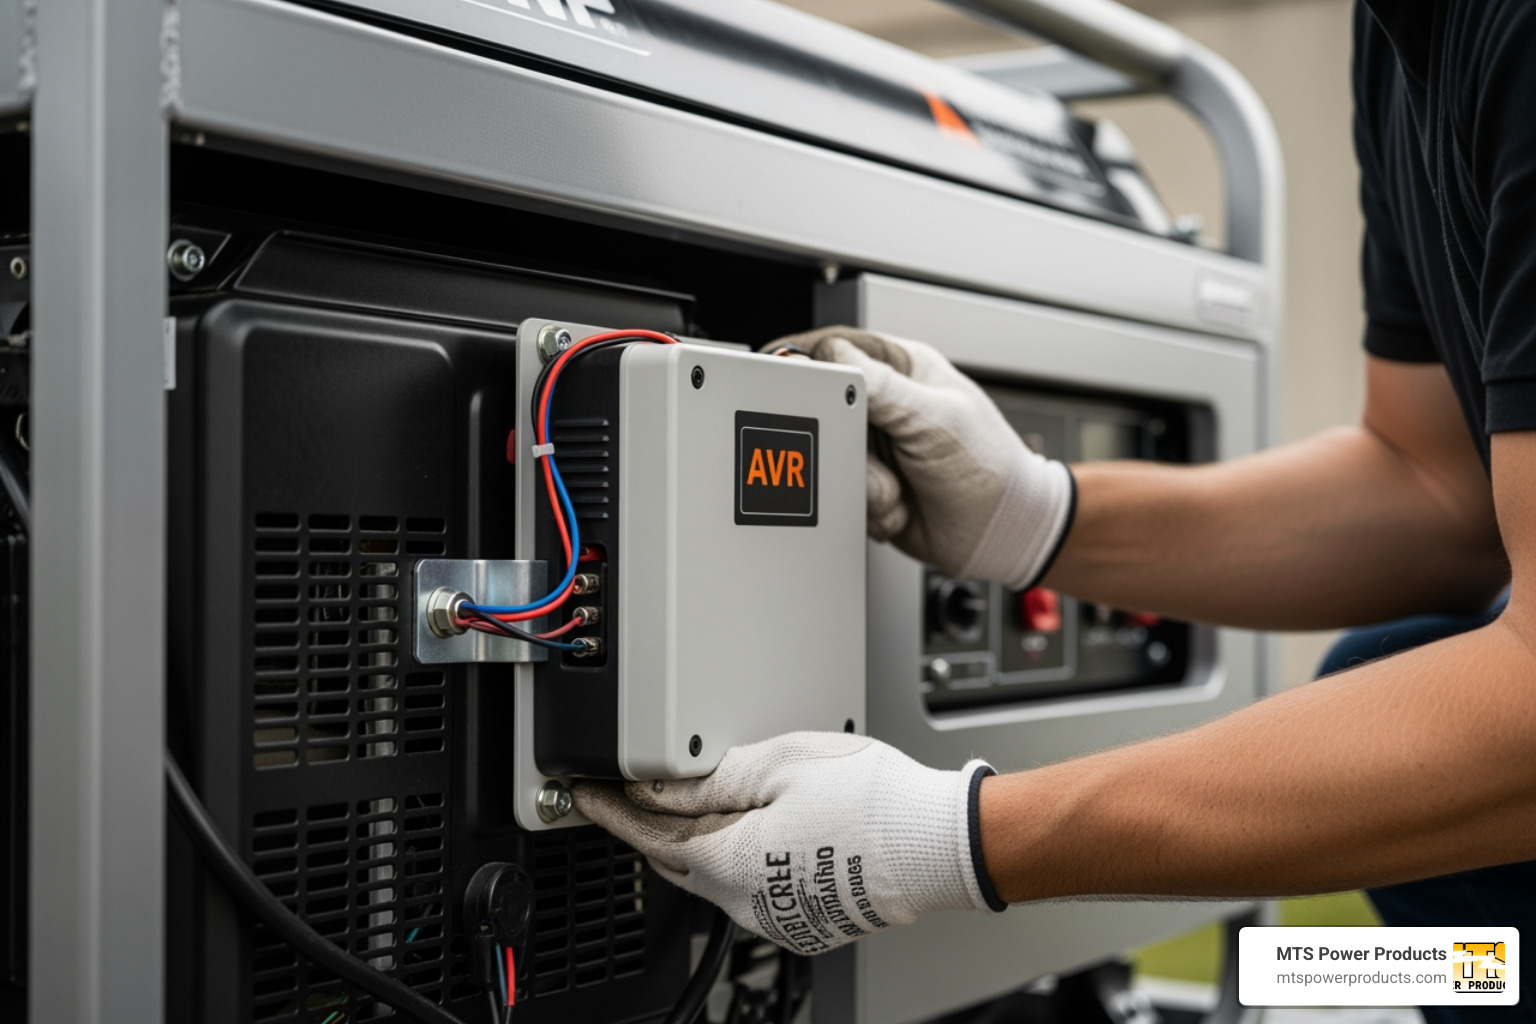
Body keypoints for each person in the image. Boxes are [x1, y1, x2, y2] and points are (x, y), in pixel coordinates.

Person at [575, 2, 1536, 1019]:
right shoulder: (1401, 42)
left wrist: (952, 838)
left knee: (1346, 962)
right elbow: (1437, 491)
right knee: (1381, 694)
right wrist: (1033, 513)